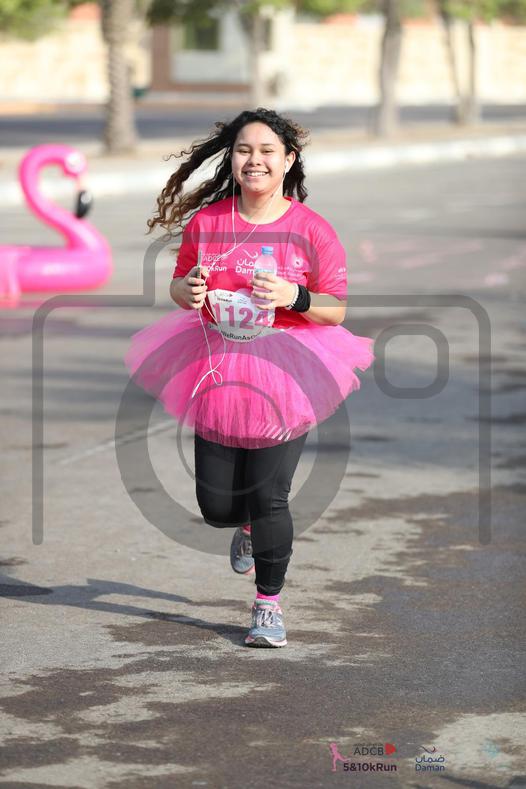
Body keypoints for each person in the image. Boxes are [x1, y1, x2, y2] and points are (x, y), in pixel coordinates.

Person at [124, 108, 374, 648]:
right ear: (232, 159)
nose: (254, 160)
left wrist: (294, 295)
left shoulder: (311, 229)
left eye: (266, 151)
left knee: (270, 496)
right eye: (244, 150)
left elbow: (336, 309)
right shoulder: (209, 222)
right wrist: (187, 290)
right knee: (216, 506)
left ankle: (267, 606)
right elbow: (179, 284)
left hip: (288, 367)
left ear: (288, 160)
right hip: (217, 363)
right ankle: (243, 527)